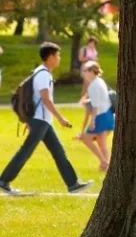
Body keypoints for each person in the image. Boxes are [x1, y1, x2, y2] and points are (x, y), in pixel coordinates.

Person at [0, 42, 93, 194]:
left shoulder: (41, 72)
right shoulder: (43, 74)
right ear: (49, 57)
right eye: (57, 55)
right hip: (40, 121)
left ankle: (73, 184)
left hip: (42, 121)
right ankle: (3, 180)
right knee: (26, 151)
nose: (59, 58)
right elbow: (45, 99)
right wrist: (61, 118)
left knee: (58, 152)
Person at [76, 61, 114, 171]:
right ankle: (105, 166)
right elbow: (99, 99)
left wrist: (92, 121)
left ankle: (104, 162)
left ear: (92, 71)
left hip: (100, 116)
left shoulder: (93, 85)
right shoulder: (99, 81)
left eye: (86, 71)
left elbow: (95, 106)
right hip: (107, 114)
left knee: (86, 138)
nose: (84, 73)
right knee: (101, 143)